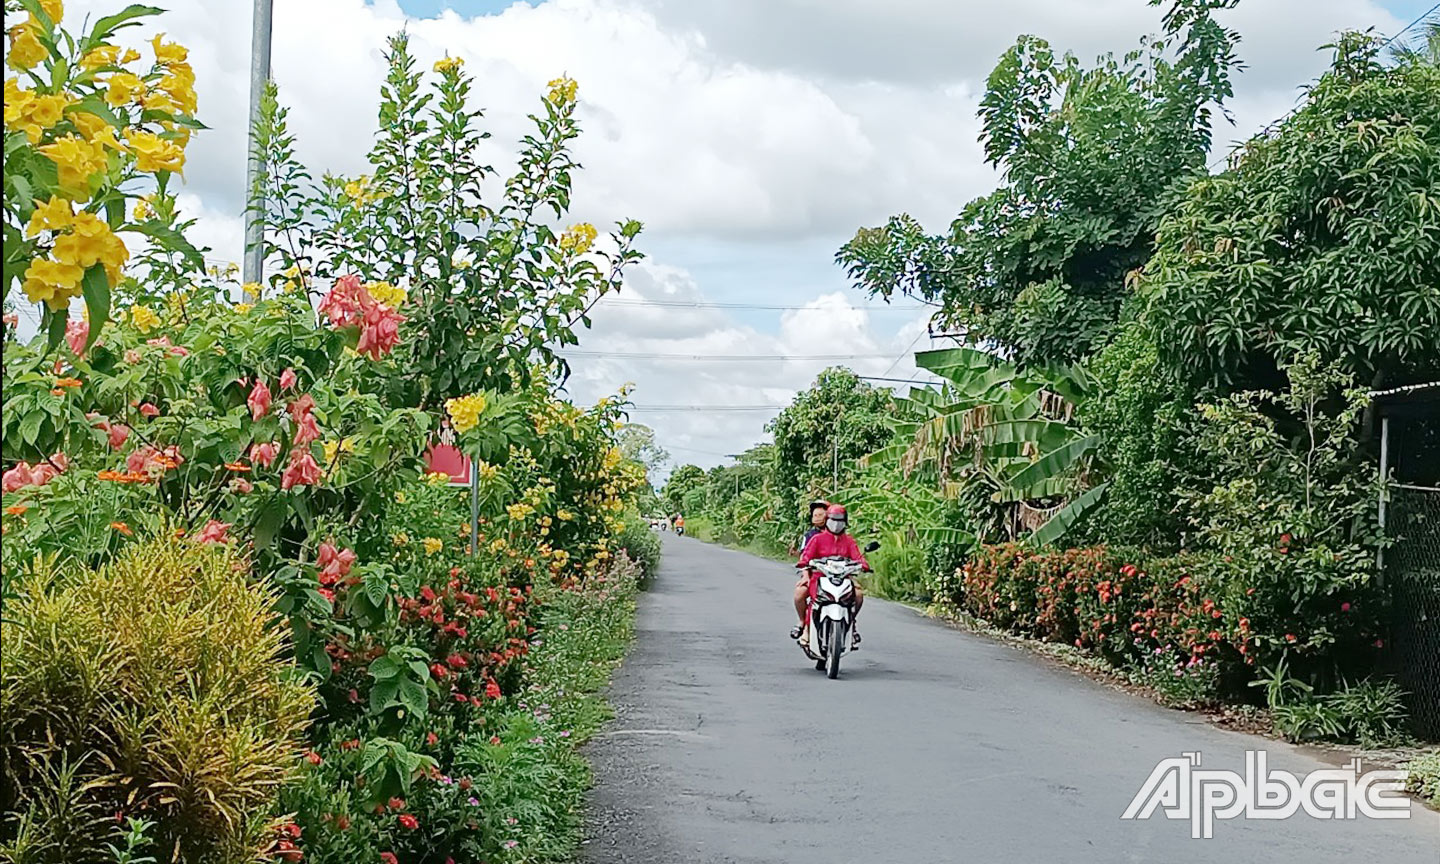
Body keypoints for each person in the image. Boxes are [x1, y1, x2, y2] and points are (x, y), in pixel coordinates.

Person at [790, 504, 866, 648]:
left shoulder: (849, 541)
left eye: (840, 520)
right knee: (810, 598)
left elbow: (858, 557)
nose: (836, 524)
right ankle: (806, 628)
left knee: (858, 596)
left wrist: (863, 564)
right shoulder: (816, 539)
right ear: (827, 520)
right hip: (819, 577)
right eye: (833, 519)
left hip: (843, 578)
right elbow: (806, 556)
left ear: (845, 521)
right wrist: (804, 564)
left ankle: (852, 623)